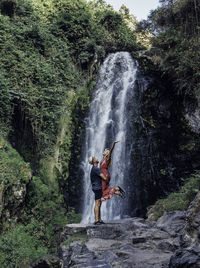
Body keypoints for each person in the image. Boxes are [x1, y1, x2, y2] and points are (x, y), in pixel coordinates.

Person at [88, 156, 107, 225]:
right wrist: (107, 180)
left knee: (99, 203)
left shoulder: (94, 169)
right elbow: (103, 177)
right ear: (94, 161)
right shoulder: (96, 169)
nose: (97, 158)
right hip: (97, 187)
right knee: (97, 203)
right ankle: (97, 220)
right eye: (95, 158)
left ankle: (99, 219)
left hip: (96, 187)